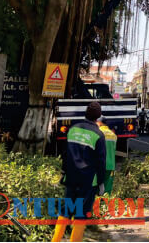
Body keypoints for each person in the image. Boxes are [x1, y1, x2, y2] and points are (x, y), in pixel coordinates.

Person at [52, 102, 106, 242]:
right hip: (88, 181)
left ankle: (55, 240)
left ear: (85, 114)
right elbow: (101, 162)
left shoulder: (73, 129)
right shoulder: (98, 135)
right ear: (98, 117)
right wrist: (101, 183)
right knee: (81, 213)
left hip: (71, 177)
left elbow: (66, 154)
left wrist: (64, 173)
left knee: (66, 210)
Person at [97, 117, 117, 196]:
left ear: (99, 123)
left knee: (96, 184)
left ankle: (96, 200)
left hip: (99, 164)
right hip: (110, 164)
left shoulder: (97, 133)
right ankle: (106, 201)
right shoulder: (113, 135)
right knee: (108, 185)